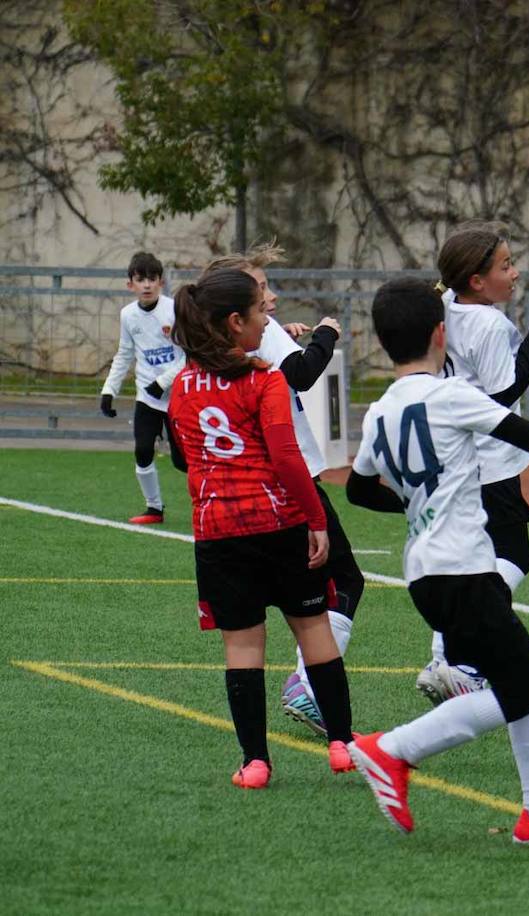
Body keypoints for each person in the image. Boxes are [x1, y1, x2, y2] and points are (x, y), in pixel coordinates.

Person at [344, 278, 529, 843]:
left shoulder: (380, 412)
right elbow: (527, 433)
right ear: (440, 333)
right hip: (463, 567)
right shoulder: (448, 393)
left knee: (521, 678)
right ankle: (391, 750)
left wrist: (421, 506)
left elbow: (358, 490)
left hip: (426, 572)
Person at [166, 267, 355, 788]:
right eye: (258, 313)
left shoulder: (182, 384)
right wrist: (316, 521)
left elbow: (184, 457)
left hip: (218, 531)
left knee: (243, 648)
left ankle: (255, 762)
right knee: (314, 630)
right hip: (277, 523)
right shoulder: (264, 378)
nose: (265, 320)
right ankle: (341, 744)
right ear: (234, 322)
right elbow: (287, 456)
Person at [200, 245, 365, 733]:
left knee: (253, 623)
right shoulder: (258, 328)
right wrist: (327, 337)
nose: (270, 297)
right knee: (339, 584)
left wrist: (286, 337)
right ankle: (308, 689)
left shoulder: (218, 341)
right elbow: (301, 374)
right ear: (237, 310)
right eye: (261, 287)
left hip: (235, 492)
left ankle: (257, 751)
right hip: (287, 478)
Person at [414, 222, 529, 706]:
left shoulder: (445, 310)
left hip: (455, 457)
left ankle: (446, 659)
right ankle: (461, 660)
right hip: (490, 462)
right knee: (513, 557)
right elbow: (501, 394)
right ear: (477, 280)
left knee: (470, 558)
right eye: (505, 265)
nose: (515, 272)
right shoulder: (490, 324)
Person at [99, 251, 187, 524]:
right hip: (147, 398)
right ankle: (154, 509)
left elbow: (189, 355)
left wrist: (164, 382)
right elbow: (125, 354)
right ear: (130, 285)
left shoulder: (173, 310)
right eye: (140, 279)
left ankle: (213, 502)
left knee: (183, 461)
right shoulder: (128, 315)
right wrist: (108, 390)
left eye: (152, 279)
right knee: (143, 449)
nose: (146, 285)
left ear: (161, 282)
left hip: (179, 396)